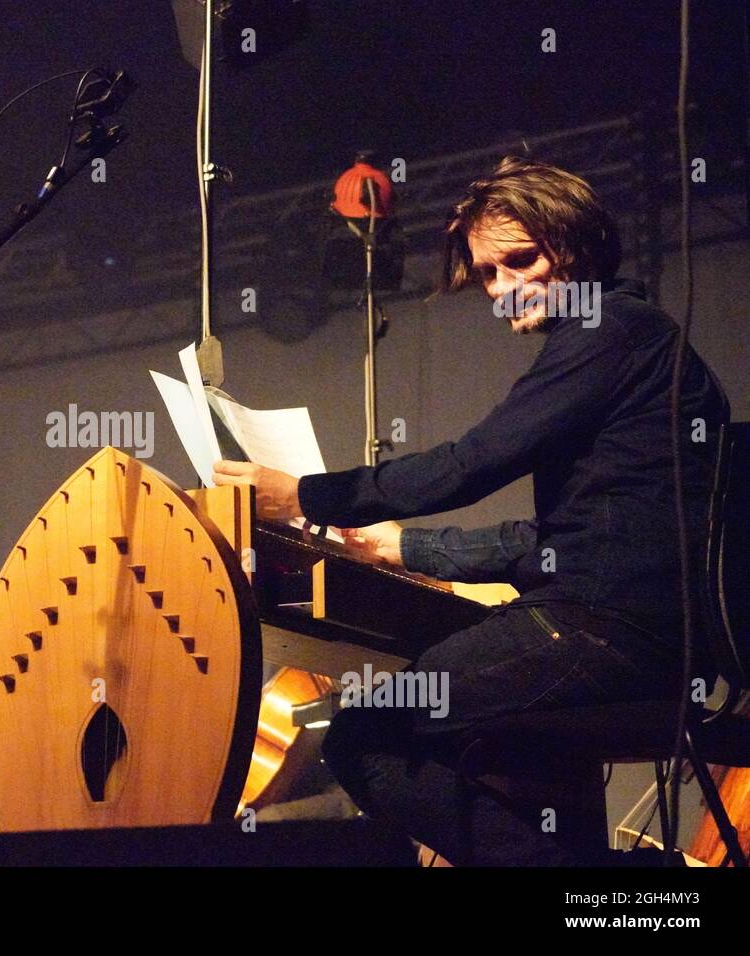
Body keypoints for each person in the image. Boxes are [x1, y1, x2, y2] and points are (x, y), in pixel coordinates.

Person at [212, 156, 729, 865]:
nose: (505, 289)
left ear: (575, 245)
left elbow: (471, 463)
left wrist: (304, 496)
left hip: (606, 635)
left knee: (366, 740)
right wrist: (406, 550)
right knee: (473, 736)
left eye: (520, 261)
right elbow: (555, 542)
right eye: (489, 274)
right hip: (646, 639)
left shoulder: (609, 331)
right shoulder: (629, 338)